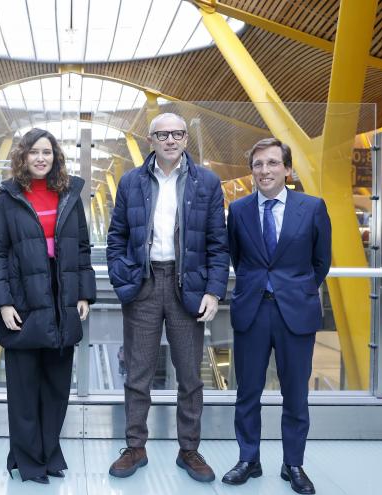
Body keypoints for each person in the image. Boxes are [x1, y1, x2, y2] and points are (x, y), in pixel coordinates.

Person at [106, 113, 229, 483]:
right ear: (151, 140)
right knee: (138, 372)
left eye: (177, 133)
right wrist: (121, 277)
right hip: (143, 283)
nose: (170, 140)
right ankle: (135, 447)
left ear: (186, 139)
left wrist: (213, 290)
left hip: (186, 283)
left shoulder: (206, 182)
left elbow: (217, 244)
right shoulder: (131, 181)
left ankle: (189, 450)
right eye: (163, 134)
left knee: (190, 375)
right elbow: (116, 237)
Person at [0, 128, 96, 484]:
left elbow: (81, 249)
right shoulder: (6, 198)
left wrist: (83, 294)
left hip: (62, 295)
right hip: (24, 299)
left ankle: (49, 454)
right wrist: (2, 303)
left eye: (47, 152)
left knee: (56, 387)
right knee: (23, 387)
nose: (40, 158)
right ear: (23, 156)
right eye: (34, 152)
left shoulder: (70, 196)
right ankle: (29, 461)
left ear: (56, 156)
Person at [222, 138, 331, 494]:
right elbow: (238, 258)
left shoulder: (312, 207)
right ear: (251, 171)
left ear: (287, 169)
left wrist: (293, 289)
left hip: (295, 313)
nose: (264, 171)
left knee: (296, 394)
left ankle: (293, 464)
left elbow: (320, 262)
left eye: (272, 163)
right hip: (253, 310)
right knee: (247, 392)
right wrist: (262, 286)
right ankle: (248, 459)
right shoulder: (238, 211)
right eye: (257, 165)